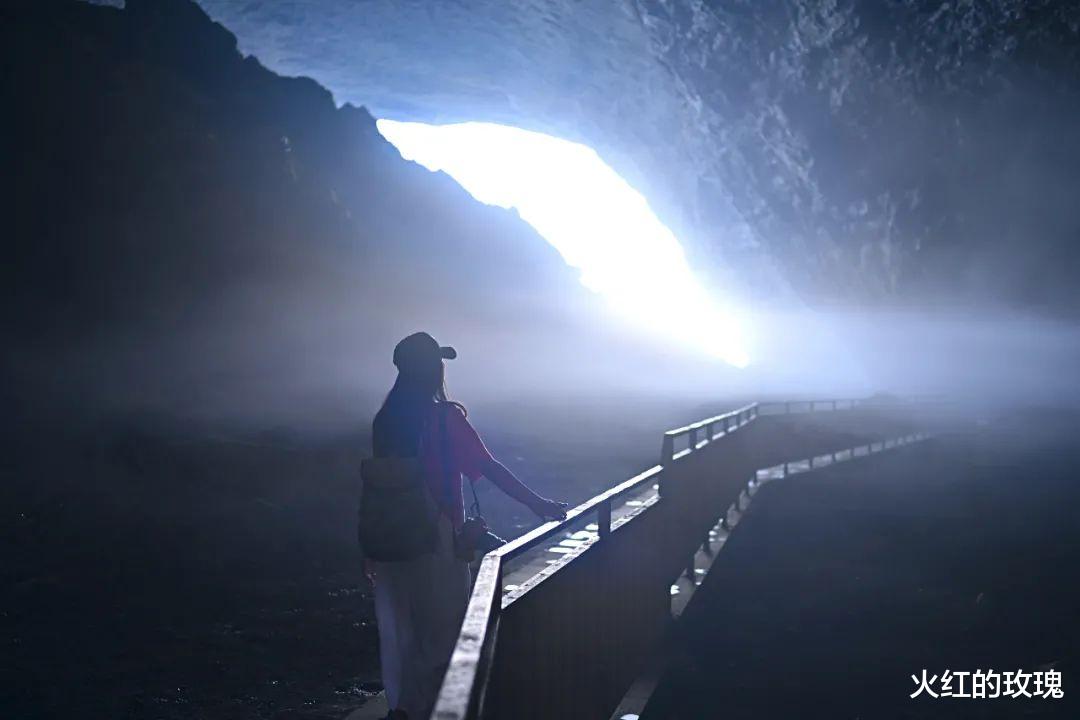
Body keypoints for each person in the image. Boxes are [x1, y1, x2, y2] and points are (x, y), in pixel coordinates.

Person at [367, 331, 567, 720]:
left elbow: (377, 485)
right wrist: (537, 505)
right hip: (436, 532)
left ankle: (402, 708)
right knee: (443, 625)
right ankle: (437, 708)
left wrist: (367, 548)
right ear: (433, 369)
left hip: (389, 534)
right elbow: (489, 468)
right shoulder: (444, 419)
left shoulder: (385, 421)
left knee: (400, 627)